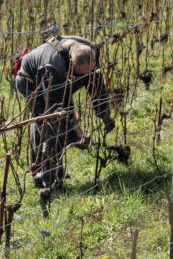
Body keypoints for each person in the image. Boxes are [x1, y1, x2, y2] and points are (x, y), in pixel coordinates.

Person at [15, 35, 115, 189]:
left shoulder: (91, 52)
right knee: (47, 125)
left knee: (56, 123)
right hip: (31, 80)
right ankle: (48, 179)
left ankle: (47, 172)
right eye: (80, 74)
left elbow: (96, 86)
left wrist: (105, 114)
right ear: (71, 64)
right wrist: (75, 138)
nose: (84, 76)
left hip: (61, 79)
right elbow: (54, 111)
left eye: (86, 73)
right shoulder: (53, 67)